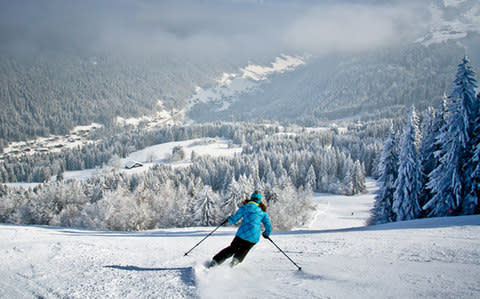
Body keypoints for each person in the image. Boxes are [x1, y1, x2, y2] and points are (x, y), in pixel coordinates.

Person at [208, 190, 272, 268]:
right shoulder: (263, 212)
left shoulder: (245, 207)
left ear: (251, 198)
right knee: (245, 249)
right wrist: (266, 233)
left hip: (242, 234)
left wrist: (229, 219)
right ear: (259, 200)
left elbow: (235, 219)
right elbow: (268, 225)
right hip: (254, 237)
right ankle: (235, 261)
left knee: (232, 248)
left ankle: (216, 261)